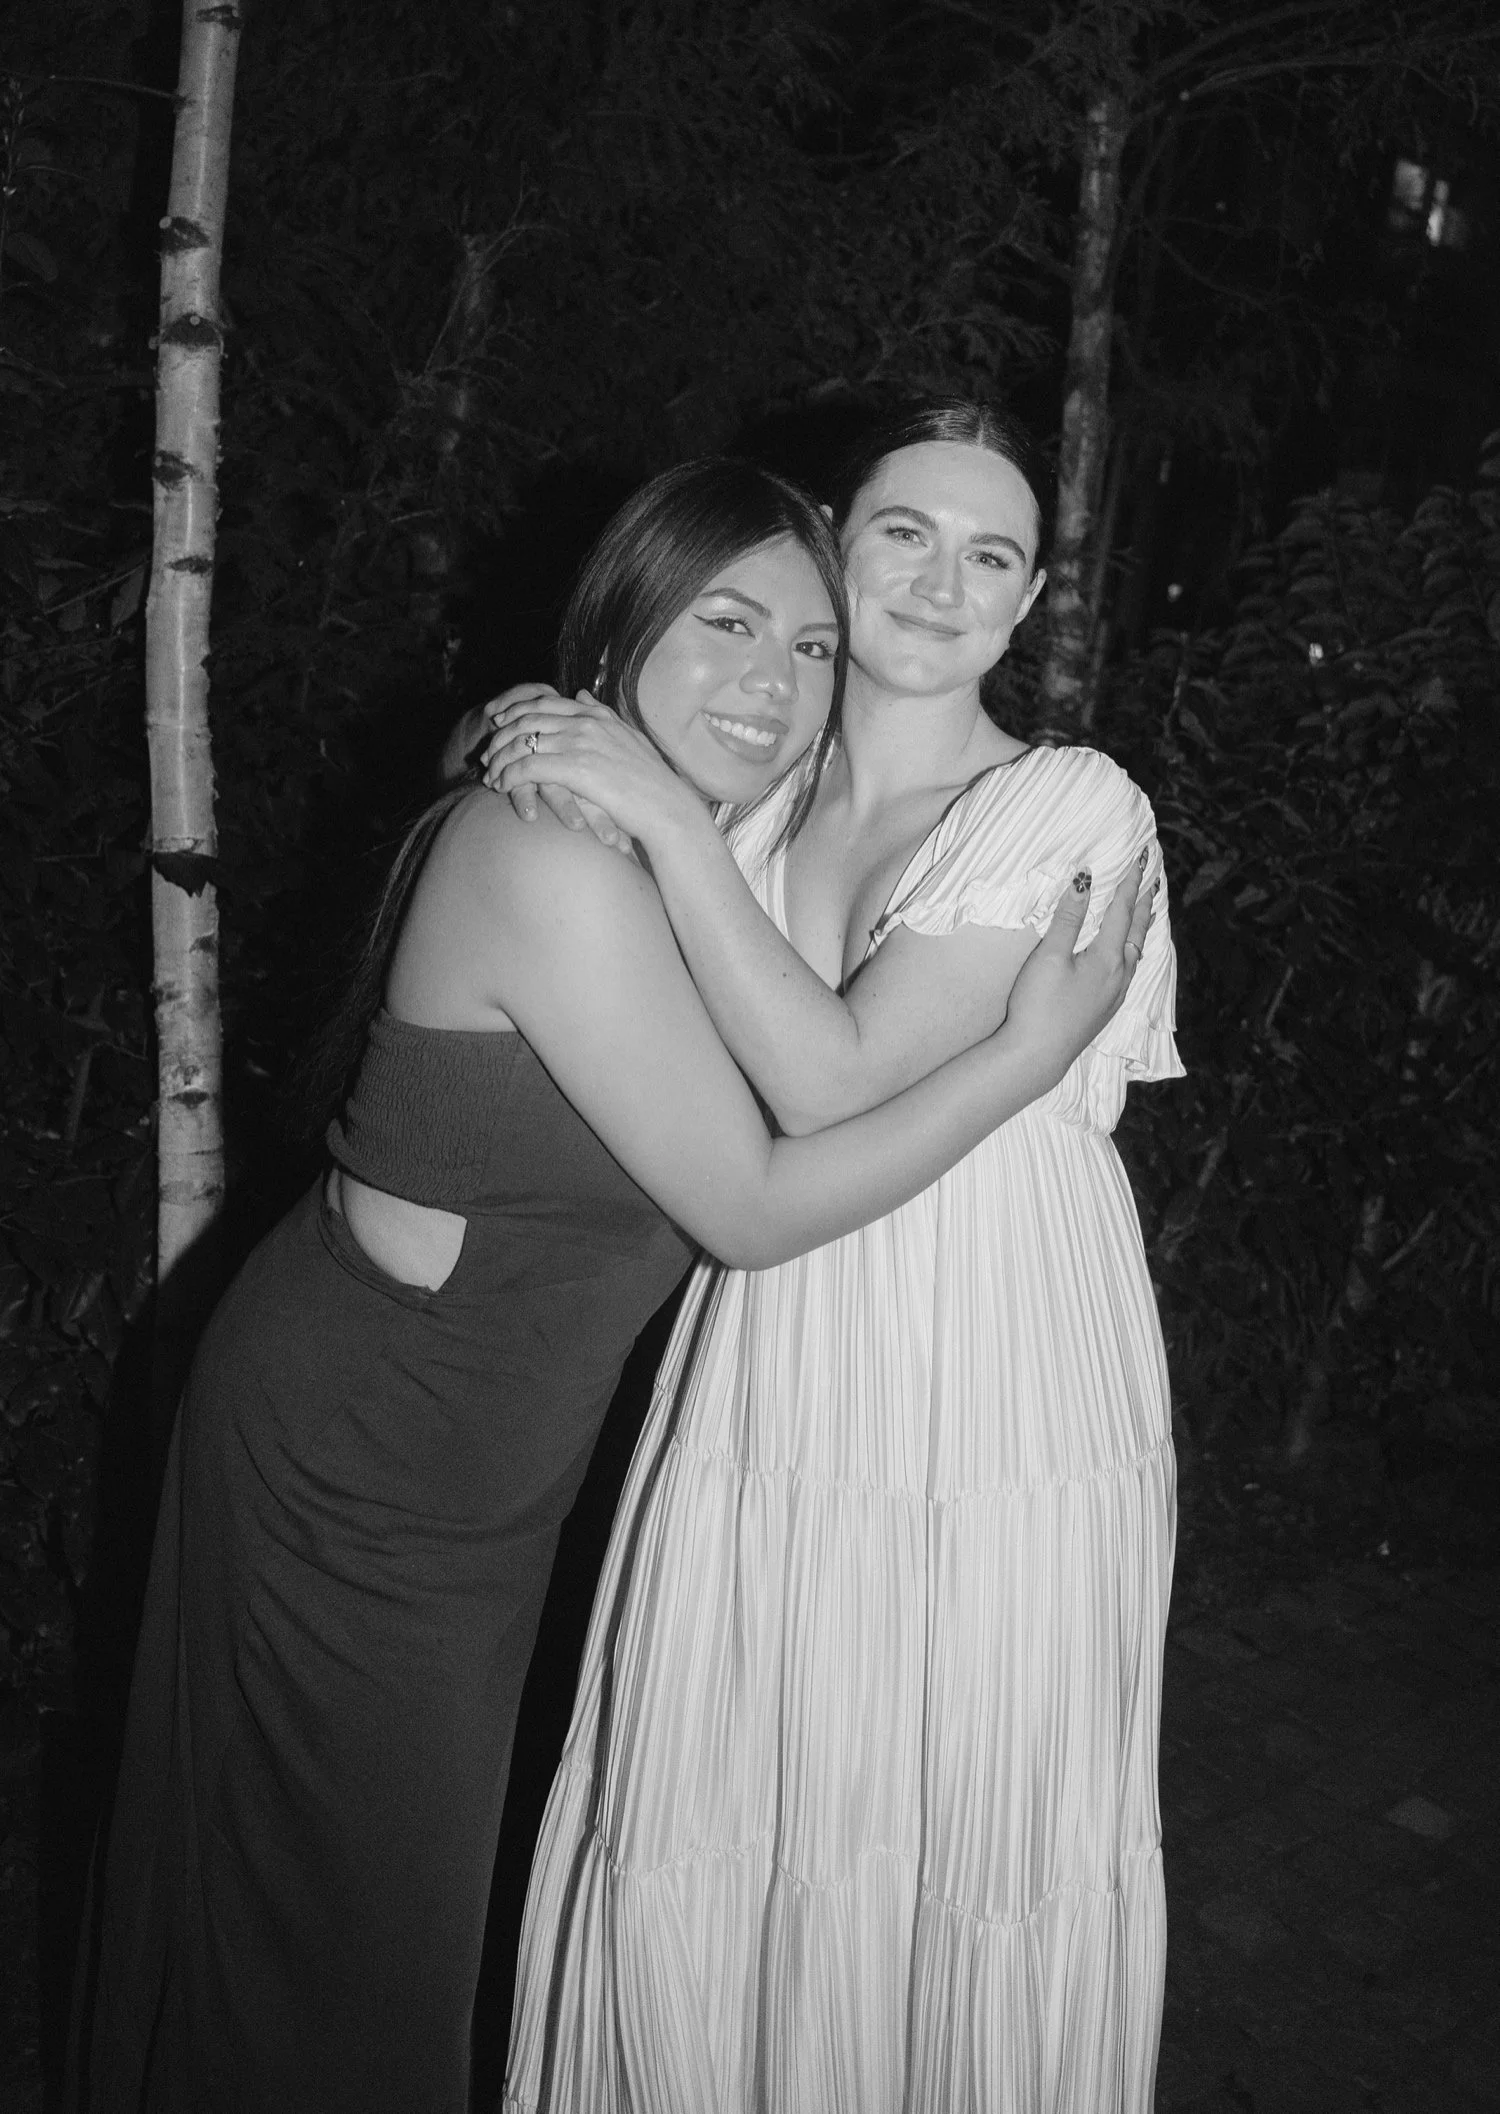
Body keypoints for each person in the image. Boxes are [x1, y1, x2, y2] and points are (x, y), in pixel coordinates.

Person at [67, 457, 1148, 2114]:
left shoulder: (693, 842)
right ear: (624, 627)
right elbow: (753, 1200)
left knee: (350, 1930)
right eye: (726, 622)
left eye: (807, 647)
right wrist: (1025, 1053)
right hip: (364, 1453)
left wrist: (567, 743)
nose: (771, 680)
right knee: (352, 1960)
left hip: (474, 1472)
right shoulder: (568, 858)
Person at [487, 399, 1183, 2113]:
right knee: (739, 1775)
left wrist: (657, 820)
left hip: (1004, 1364)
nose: (944, 584)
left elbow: (832, 1074)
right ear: (832, 543)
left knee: (968, 1817)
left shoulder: (1067, 802)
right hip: (784, 1326)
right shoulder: (750, 796)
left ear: (1030, 602)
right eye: (905, 534)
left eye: (993, 555)